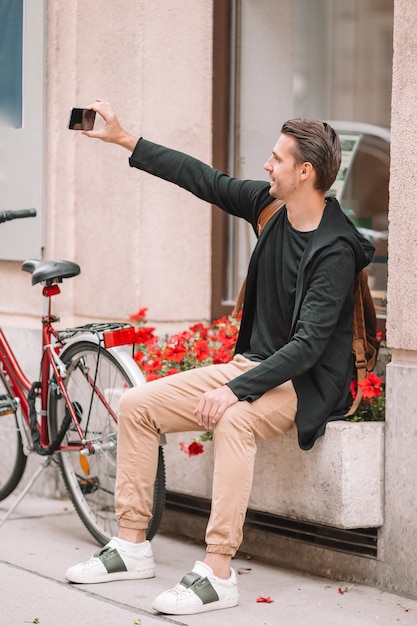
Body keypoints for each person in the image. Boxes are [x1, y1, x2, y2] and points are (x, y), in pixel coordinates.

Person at [65, 99, 374, 615]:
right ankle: (132, 545)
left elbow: (307, 347)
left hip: (305, 383)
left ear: (305, 172)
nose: (265, 166)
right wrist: (123, 139)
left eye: (276, 159)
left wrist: (234, 390)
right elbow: (201, 177)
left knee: (233, 421)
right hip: (251, 367)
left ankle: (217, 573)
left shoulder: (336, 249)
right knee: (138, 404)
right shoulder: (269, 206)